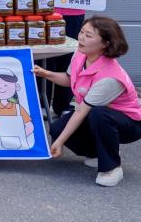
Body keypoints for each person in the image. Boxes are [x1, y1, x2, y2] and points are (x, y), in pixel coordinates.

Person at [34, 16, 141, 187]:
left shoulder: (110, 77)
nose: (81, 38)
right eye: (82, 32)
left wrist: (59, 143)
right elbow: (69, 79)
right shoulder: (80, 54)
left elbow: (80, 111)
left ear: (105, 43)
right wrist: (46, 74)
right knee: (56, 129)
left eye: (88, 35)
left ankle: (112, 167)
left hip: (129, 124)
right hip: (96, 114)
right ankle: (97, 153)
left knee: (98, 113)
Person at [0, 68, 34, 150]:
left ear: (16, 86)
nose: (1, 89)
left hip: (21, 147)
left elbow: (29, 126)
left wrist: (22, 137)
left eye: (6, 85)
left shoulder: (18, 108)